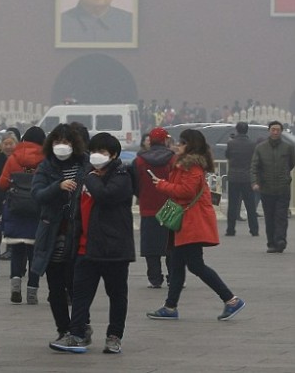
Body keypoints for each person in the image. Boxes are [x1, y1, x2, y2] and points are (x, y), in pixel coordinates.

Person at [147, 129, 246, 321]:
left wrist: (161, 185)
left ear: (190, 145)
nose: (178, 146)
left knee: (195, 265)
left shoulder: (192, 167)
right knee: (177, 265)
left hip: (191, 222)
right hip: (186, 221)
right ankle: (170, 306)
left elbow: (186, 192)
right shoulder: (185, 164)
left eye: (181, 143)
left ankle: (231, 300)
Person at [49, 132, 135, 355]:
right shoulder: (87, 175)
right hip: (85, 246)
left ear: (113, 155)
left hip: (113, 249)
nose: (97, 156)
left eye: (103, 152)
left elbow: (106, 195)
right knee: (80, 294)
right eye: (94, 151)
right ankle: (76, 334)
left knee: (116, 294)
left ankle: (114, 336)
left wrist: (91, 178)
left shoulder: (121, 175)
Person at [31, 123, 87, 343]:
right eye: (57, 142)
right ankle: (63, 328)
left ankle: (81, 327)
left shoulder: (85, 164)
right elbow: (37, 194)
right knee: (55, 287)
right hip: (53, 234)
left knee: (78, 285)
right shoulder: (46, 167)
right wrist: (58, 186)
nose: (61, 146)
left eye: (65, 142)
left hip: (78, 234)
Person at [0, 126, 46, 304]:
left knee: (17, 250)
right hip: (37, 211)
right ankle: (32, 291)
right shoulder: (45, 159)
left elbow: (2, 183)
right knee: (35, 253)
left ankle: (15, 285)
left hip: (16, 210)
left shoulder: (13, 158)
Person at [132, 127, 176, 288]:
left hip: (148, 207)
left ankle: (155, 278)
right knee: (171, 244)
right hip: (170, 206)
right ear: (165, 140)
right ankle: (174, 277)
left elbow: (135, 184)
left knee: (151, 246)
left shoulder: (139, 161)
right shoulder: (173, 160)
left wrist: (142, 195)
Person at [250, 121, 295, 253]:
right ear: (269, 131)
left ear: (281, 131)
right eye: (273, 130)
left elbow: (291, 163)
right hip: (266, 188)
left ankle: (281, 240)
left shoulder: (288, 147)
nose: (275, 132)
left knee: (281, 216)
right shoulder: (260, 148)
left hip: (283, 188)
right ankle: (271, 242)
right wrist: (255, 182)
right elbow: (254, 167)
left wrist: (284, 175)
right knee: (269, 217)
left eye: (278, 130)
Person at [0, 130, 20, 276]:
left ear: (16, 144)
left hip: (17, 200)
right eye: (5, 144)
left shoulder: (20, 159)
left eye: (10, 144)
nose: (8, 147)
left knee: (17, 234)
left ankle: (19, 268)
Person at [225, 122, 260, 237]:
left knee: (233, 204)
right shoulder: (252, 144)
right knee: (250, 205)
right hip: (247, 177)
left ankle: (230, 229)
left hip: (234, 177)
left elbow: (228, 156)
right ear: (247, 130)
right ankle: (254, 229)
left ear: (237, 130)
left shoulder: (231, 144)